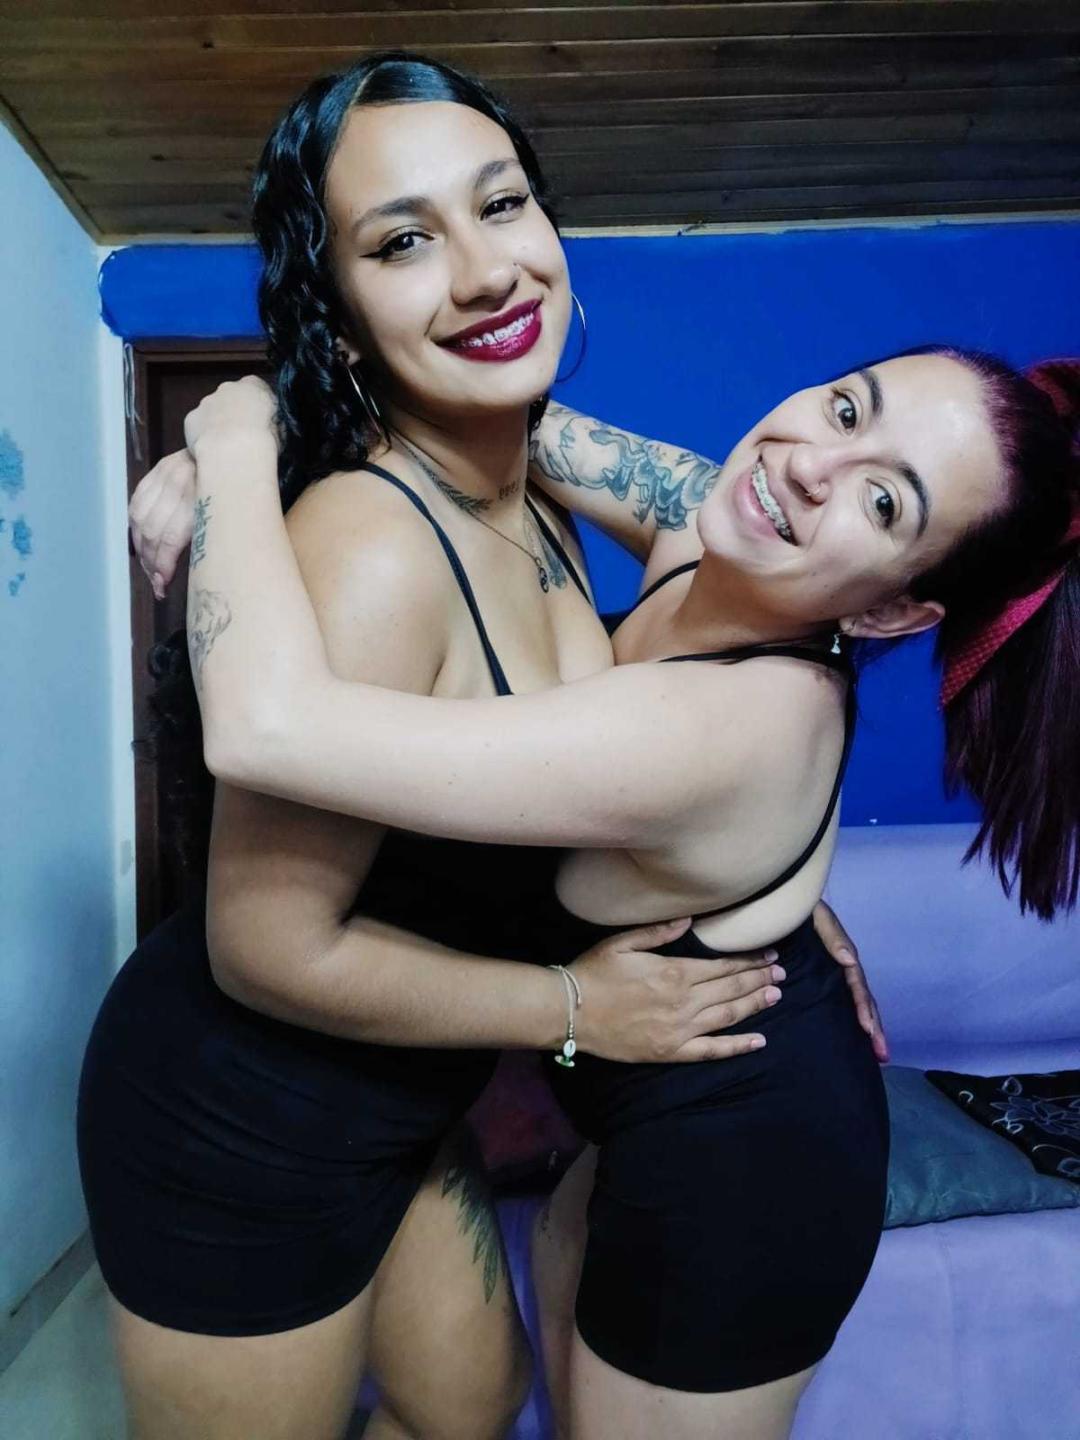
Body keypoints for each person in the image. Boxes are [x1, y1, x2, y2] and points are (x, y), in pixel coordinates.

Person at [80, 54, 810, 1440]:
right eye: (403, 242)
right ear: (340, 309)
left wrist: (786, 881)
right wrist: (579, 1009)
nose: (485, 271)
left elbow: (771, 537)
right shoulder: (372, 549)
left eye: (504, 205)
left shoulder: (533, 485)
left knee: (468, 1409)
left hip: (402, 1101)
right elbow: (263, 948)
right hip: (239, 1121)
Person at [158, 342, 1079, 1440]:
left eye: (883, 503)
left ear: (892, 615)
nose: (810, 467)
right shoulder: (711, 518)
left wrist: (230, 448)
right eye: (846, 408)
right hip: (633, 1113)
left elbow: (263, 731)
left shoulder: (729, 727)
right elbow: (466, 406)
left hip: (749, 1168)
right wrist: (250, 417)